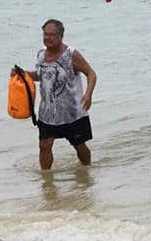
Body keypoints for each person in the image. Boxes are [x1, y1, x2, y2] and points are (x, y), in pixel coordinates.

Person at [12, 19, 97, 170]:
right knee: (44, 145)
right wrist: (22, 74)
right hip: (48, 112)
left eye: (52, 35)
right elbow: (41, 75)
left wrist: (88, 94)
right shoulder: (40, 55)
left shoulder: (71, 54)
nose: (47, 38)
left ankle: (87, 170)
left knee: (79, 145)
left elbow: (91, 73)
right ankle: (46, 180)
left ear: (61, 36)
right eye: (45, 34)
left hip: (72, 113)